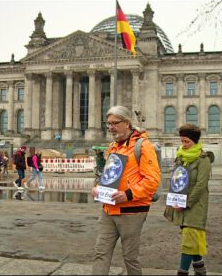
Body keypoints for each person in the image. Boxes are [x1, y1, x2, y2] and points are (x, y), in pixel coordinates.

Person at [91, 105, 160, 275]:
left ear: (127, 123)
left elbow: (152, 180)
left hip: (132, 211)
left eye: (115, 123)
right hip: (108, 209)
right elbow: (109, 175)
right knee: (100, 253)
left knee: (130, 257)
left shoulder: (143, 146)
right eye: (108, 123)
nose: (110, 127)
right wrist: (98, 187)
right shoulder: (113, 146)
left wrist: (127, 194)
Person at [169, 123, 212, 276]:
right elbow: (175, 180)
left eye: (187, 141)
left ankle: (182, 273)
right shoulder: (180, 157)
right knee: (192, 239)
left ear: (195, 141)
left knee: (189, 241)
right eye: (182, 141)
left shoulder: (203, 159)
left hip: (195, 206)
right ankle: (200, 270)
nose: (184, 145)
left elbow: (201, 185)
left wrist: (186, 203)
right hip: (180, 204)